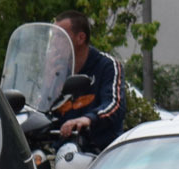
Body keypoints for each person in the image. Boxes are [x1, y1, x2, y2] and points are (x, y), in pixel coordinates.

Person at [52, 9, 125, 149]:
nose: (54, 43)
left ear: (80, 38)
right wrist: (49, 81)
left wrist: (88, 119)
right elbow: (43, 111)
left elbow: (114, 104)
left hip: (98, 152)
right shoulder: (57, 70)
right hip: (62, 151)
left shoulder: (107, 66)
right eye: (54, 37)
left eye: (61, 37)